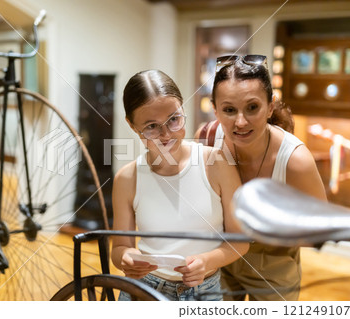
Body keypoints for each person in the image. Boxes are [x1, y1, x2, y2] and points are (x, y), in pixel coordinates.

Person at [195, 55, 327, 301]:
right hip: (220, 256)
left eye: (252, 107)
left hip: (273, 266)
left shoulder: (295, 161)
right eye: (229, 110)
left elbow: (319, 233)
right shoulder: (207, 139)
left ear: (270, 107)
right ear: (215, 109)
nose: (241, 122)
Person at [111, 70, 249, 301]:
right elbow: (118, 249)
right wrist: (126, 256)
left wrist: (207, 262)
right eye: (152, 127)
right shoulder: (128, 178)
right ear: (132, 125)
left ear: (183, 109)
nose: (166, 135)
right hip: (144, 291)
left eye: (174, 120)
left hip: (204, 291)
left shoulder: (217, 164)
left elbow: (240, 240)